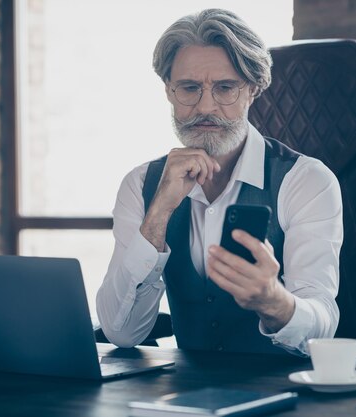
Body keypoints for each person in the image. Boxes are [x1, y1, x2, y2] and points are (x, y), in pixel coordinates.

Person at [96, 8, 343, 356]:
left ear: (253, 90)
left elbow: (322, 325)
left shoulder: (307, 181)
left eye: (225, 88)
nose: (206, 106)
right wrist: (158, 215)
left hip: (284, 395)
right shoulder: (140, 185)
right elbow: (120, 332)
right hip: (182, 401)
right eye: (189, 88)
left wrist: (275, 302)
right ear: (169, 91)